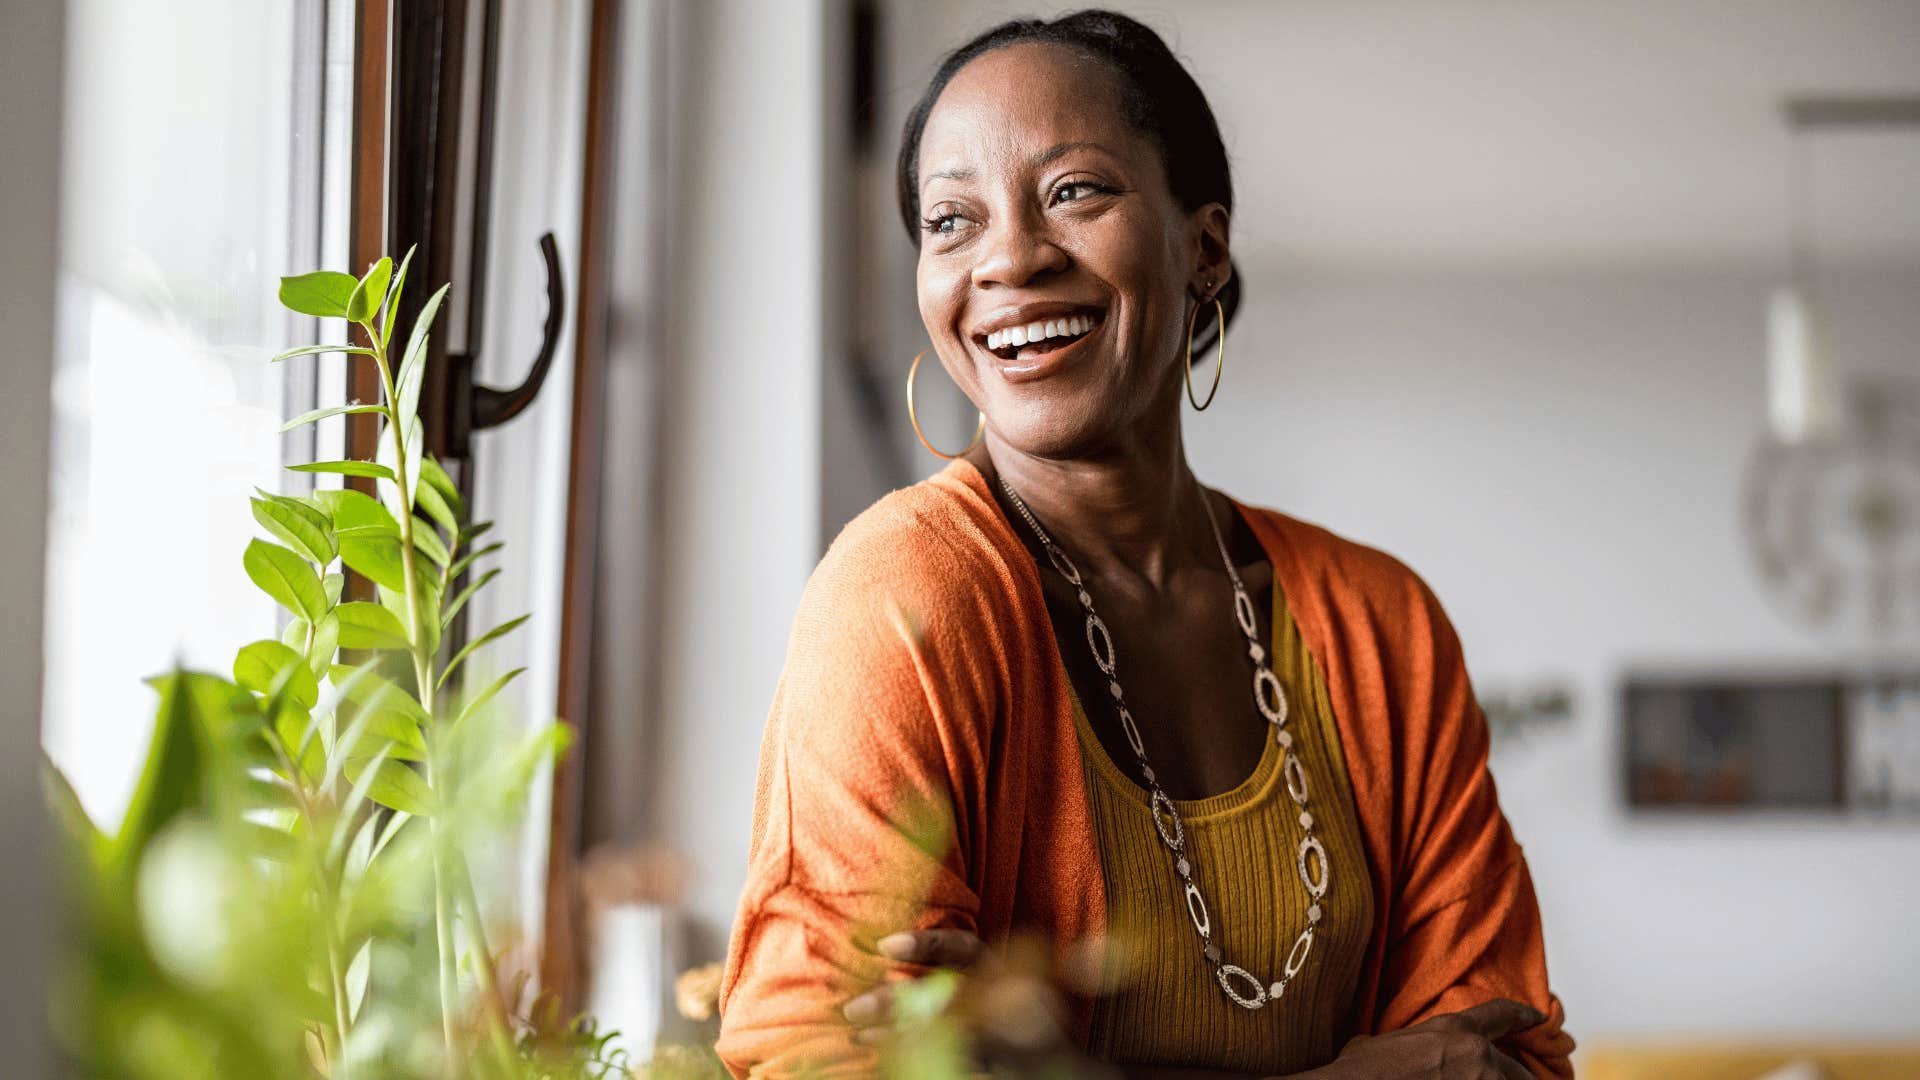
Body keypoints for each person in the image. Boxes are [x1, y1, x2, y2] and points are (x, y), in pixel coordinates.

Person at [715, 10, 1574, 1078]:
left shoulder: (1378, 623)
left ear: (1203, 249)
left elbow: (1503, 1060)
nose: (1011, 259)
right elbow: (815, 1052)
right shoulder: (906, 593)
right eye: (951, 221)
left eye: (1075, 191)